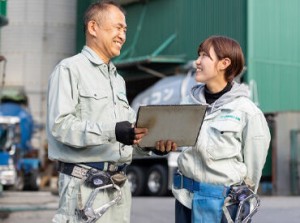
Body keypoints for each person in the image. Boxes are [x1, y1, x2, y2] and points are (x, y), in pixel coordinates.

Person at [47, 1, 176, 222]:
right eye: (117, 27)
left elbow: (123, 140)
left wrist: (151, 147)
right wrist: (112, 131)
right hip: (84, 188)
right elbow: (60, 127)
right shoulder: (69, 70)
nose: (123, 36)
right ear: (93, 27)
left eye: (125, 30)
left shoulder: (118, 80)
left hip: (118, 188)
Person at [172, 35, 271, 223]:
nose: (197, 62)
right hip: (186, 201)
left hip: (226, 207)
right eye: (198, 55)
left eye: (204, 56)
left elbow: (253, 170)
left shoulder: (246, 112)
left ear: (224, 63)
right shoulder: (187, 105)